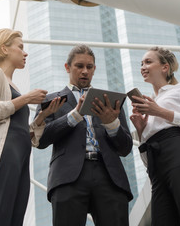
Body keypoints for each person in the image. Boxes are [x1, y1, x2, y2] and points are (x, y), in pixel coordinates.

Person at [0, 28, 65, 226]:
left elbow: (18, 130)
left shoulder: (14, 87)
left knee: (13, 218)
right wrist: (27, 99)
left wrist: (42, 116)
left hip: (20, 159)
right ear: (4, 49)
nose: (25, 52)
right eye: (20, 47)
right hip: (3, 159)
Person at [34, 44, 133, 226]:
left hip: (109, 177)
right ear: (67, 67)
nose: (85, 71)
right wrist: (75, 115)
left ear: (94, 69)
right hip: (67, 177)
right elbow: (40, 139)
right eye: (79, 66)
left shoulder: (109, 101)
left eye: (89, 67)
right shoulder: (51, 101)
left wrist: (111, 123)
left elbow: (126, 148)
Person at [130, 46, 180, 226]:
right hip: (156, 165)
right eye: (141, 63)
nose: (143, 66)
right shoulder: (151, 102)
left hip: (179, 154)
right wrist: (142, 130)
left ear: (165, 67)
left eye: (148, 62)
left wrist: (159, 111)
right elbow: (145, 159)